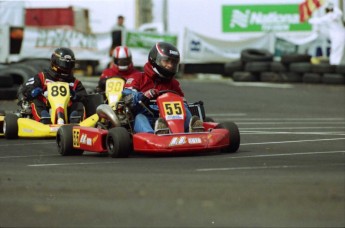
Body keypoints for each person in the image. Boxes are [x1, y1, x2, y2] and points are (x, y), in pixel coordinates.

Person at [122, 42, 203, 134]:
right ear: (154, 59)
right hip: (148, 116)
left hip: (171, 119)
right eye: (166, 61)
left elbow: (182, 101)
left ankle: (194, 130)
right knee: (140, 117)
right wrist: (144, 95)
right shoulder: (138, 77)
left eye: (173, 62)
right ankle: (154, 134)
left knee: (185, 109)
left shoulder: (173, 83)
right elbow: (127, 97)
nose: (170, 65)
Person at [20, 47, 87, 124]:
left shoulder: (75, 82)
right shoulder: (42, 77)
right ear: (54, 62)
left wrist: (76, 96)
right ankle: (44, 119)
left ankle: (75, 121)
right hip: (46, 106)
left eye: (69, 65)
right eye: (64, 64)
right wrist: (33, 91)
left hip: (67, 109)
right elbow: (26, 88)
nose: (65, 67)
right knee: (36, 101)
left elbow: (84, 97)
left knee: (79, 104)